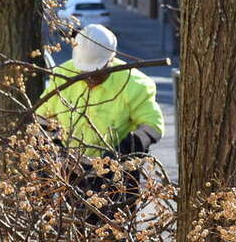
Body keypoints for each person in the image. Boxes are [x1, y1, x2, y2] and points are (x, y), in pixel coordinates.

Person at [37, 24, 164, 217]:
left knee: (113, 236)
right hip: (71, 174)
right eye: (84, 72)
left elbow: (152, 126)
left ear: (110, 59)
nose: (89, 77)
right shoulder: (63, 77)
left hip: (117, 178)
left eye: (96, 72)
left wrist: (124, 150)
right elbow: (41, 118)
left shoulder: (134, 84)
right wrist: (57, 149)